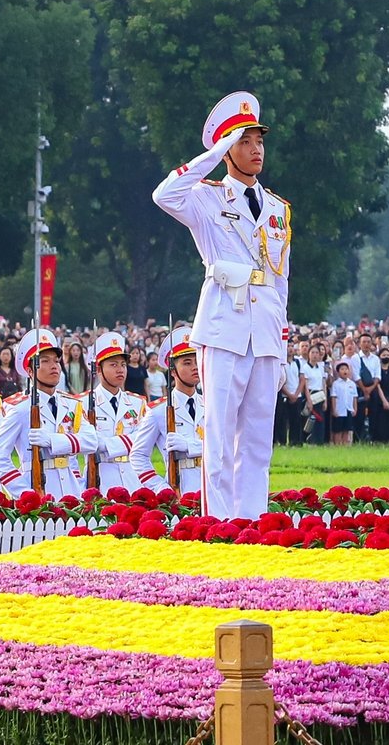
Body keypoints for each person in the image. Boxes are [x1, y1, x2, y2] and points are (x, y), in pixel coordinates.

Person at [152, 90, 289, 520]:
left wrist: (283, 345)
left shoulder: (278, 209)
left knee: (257, 438)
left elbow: (281, 282)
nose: (256, 150)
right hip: (224, 325)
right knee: (220, 430)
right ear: (228, 150)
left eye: (259, 142)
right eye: (245, 142)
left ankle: (251, 519)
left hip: (264, 330)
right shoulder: (207, 197)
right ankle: (221, 523)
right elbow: (164, 195)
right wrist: (211, 154)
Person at [0, 327, 91, 499]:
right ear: (30, 371)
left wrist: (52, 440)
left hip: (71, 490)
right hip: (37, 489)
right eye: (45, 361)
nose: (54, 366)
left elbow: (91, 440)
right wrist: (24, 494)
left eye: (56, 361)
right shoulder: (20, 409)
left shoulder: (71, 404)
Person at [131, 326, 207, 498]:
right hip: (180, 490)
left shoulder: (210, 405)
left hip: (211, 488)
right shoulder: (159, 411)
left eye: (197, 361)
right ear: (173, 371)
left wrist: (190, 446)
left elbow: (225, 447)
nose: (195, 367)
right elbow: (138, 455)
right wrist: (160, 487)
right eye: (187, 363)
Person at [82, 331, 149, 492]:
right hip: (100, 478)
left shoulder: (137, 403)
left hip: (133, 480)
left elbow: (143, 441)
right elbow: (86, 443)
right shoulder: (82, 403)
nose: (120, 370)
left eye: (123, 365)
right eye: (113, 364)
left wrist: (105, 444)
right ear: (99, 369)